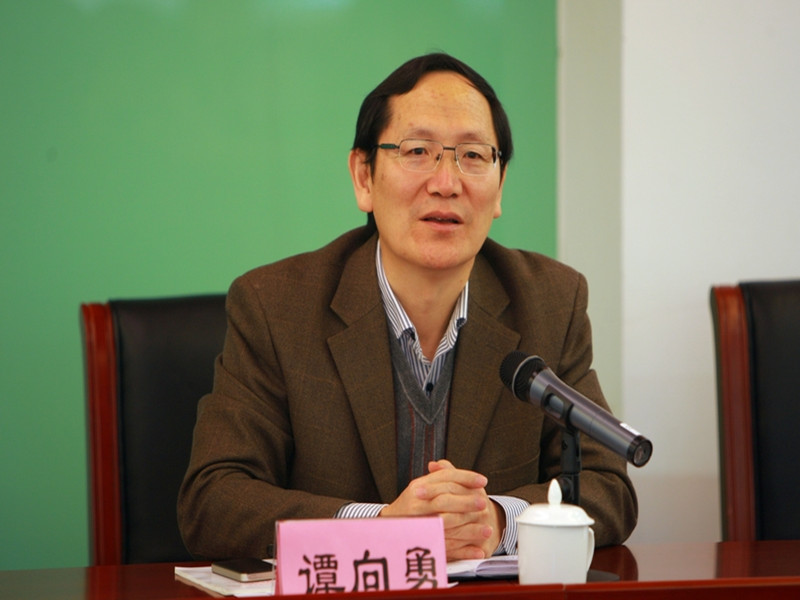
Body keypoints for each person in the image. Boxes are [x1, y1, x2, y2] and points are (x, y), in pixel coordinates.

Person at [178, 53, 637, 562]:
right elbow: (213, 501)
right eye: (418, 151)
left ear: (499, 186)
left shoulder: (550, 301)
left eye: (473, 156)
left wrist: (497, 520)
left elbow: (608, 486)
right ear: (364, 177)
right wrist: (381, 529)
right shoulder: (276, 306)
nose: (446, 182)